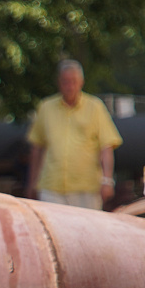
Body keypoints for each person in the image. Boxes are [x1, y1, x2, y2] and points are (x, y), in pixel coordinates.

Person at [25, 59, 122, 209]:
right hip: (51, 187)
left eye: (73, 81)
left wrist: (107, 180)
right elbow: (37, 148)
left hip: (86, 188)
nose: (70, 86)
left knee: (85, 231)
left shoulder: (95, 107)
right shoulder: (46, 107)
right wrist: (32, 183)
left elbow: (106, 146)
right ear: (59, 82)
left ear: (81, 82)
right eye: (65, 82)